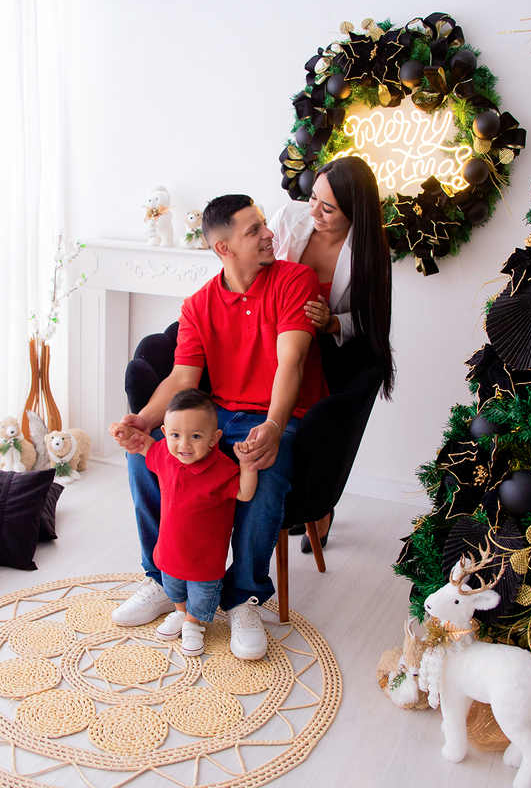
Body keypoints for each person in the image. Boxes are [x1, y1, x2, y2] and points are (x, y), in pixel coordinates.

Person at [110, 193, 327, 660]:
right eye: (254, 230)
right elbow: (183, 379)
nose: (270, 234)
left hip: (280, 415)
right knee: (144, 460)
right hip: (218, 416)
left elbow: (291, 361)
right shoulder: (198, 304)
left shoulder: (295, 280)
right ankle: (162, 579)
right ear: (223, 248)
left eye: (264, 224)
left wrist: (273, 423)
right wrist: (142, 422)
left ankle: (245, 596)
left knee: (264, 471)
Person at [267, 155, 396, 553]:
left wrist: (333, 323)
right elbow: (254, 265)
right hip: (279, 338)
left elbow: (370, 318)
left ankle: (319, 505)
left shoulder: (370, 252)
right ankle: (281, 499)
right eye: (314, 199)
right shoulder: (290, 219)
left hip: (328, 352)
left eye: (328, 208)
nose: (315, 212)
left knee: (317, 434)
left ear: (354, 212)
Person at [110, 389, 257, 657]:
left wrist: (247, 465)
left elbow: (244, 493)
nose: (184, 445)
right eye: (176, 436)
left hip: (205, 561)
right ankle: (180, 613)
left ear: (214, 439)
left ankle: (193, 623)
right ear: (165, 433)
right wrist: (123, 431)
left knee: (201, 596)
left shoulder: (222, 470)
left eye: (196, 437)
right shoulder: (165, 456)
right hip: (169, 552)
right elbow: (143, 445)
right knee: (174, 588)